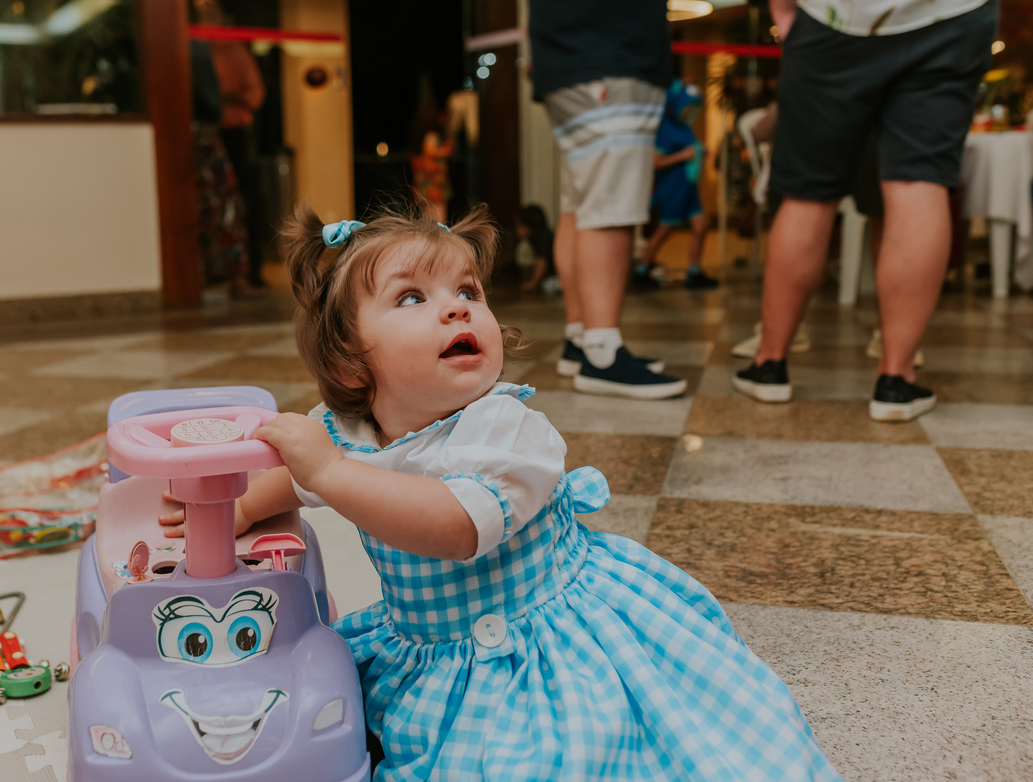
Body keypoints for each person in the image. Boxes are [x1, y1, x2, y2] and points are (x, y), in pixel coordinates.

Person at [163, 204, 845, 780]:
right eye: (412, 297)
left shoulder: (507, 430)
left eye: (469, 290)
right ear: (349, 363)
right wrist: (237, 507)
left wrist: (331, 476)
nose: (457, 306)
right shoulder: (346, 431)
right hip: (434, 641)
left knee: (573, 758)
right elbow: (295, 471)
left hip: (552, 642)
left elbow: (456, 527)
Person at [736, 0, 997, 421]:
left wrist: (783, 9)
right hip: (950, 7)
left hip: (837, 11)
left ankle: (770, 364)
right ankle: (896, 379)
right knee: (919, 182)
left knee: (807, 193)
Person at [527, 0, 686, 399]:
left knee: (580, 206)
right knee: (611, 206)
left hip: (573, 53)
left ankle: (581, 339)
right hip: (610, 51)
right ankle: (602, 354)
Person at [193, 0, 268, 289]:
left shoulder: (236, 51)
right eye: (201, 11)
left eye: (212, 9)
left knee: (245, 200)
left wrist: (229, 99)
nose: (208, 15)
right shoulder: (193, 50)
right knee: (206, 202)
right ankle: (209, 273)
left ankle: (249, 272)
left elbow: (255, 94)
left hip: (235, 134)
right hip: (200, 135)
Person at [633, 80, 720, 291]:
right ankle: (642, 270)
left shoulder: (685, 127)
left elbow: (689, 149)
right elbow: (655, 161)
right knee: (665, 230)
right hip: (672, 189)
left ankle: (694, 271)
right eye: (687, 106)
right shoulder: (665, 129)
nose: (690, 111)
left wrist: (699, 151)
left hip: (688, 188)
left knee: (701, 226)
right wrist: (684, 155)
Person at [515, 204, 555, 292]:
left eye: (519, 225)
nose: (517, 230)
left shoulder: (542, 237)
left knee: (547, 285)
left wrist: (533, 283)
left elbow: (542, 261)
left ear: (527, 226)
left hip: (561, 276)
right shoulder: (538, 236)